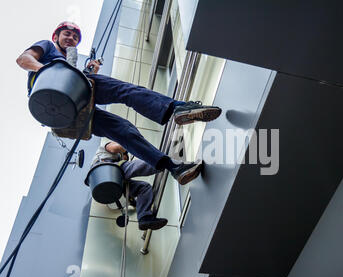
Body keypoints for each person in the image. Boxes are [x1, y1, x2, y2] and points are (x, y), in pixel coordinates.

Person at [16, 21, 222, 178]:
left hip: (72, 105)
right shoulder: (48, 49)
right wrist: (47, 71)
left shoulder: (69, 62)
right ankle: (177, 109)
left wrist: (87, 71)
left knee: (123, 130)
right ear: (56, 36)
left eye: (75, 37)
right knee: (126, 91)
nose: (71, 38)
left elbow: (73, 77)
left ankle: (173, 168)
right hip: (60, 96)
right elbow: (23, 59)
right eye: (66, 34)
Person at [92, 140, 177, 231]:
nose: (125, 158)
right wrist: (127, 148)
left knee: (143, 188)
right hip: (109, 171)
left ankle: (144, 218)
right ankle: (163, 162)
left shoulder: (116, 162)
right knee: (142, 165)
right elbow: (117, 147)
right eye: (125, 157)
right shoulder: (105, 147)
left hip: (116, 182)